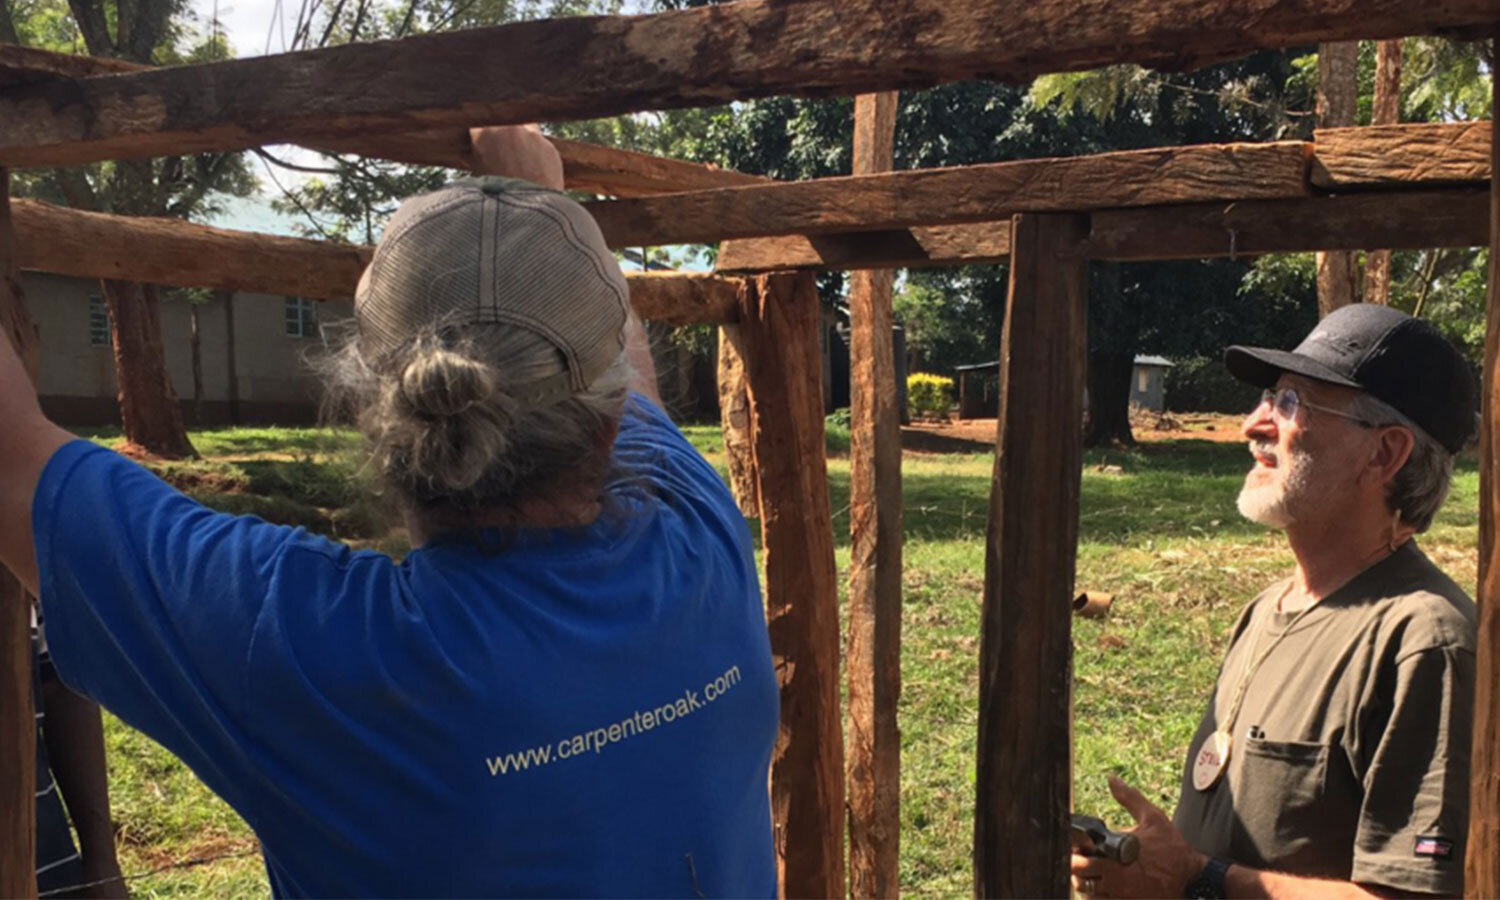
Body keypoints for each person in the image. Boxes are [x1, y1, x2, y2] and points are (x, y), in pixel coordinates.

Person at [0, 125, 779, 897]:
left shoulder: (317, 654)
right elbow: (622, 361)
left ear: (376, 406)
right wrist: (542, 212)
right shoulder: (698, 533)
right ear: (606, 424)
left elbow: (14, 460)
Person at [1071, 304, 1477, 899]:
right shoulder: (1268, 608)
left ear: (1384, 455)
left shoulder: (1427, 640)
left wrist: (1197, 880)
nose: (1252, 424)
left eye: (1291, 403)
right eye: (1269, 396)